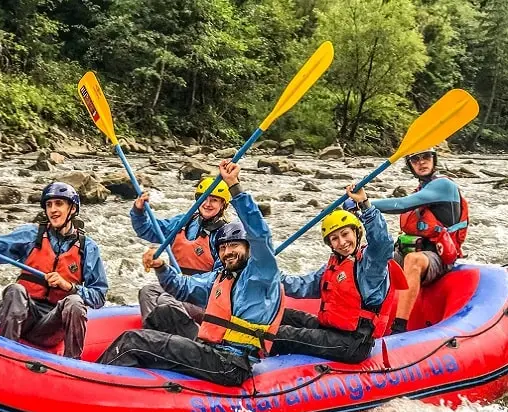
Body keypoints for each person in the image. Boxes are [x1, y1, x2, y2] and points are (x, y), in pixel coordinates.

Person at [97, 160, 284, 387]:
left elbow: (259, 233)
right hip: (212, 351)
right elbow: (182, 287)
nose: (227, 252)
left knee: (133, 340)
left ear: (249, 248)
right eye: (223, 248)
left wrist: (234, 186)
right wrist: (161, 267)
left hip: (232, 363)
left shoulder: (261, 275)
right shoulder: (221, 277)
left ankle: (89, 388)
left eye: (235, 246)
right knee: (160, 313)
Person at [0, 182, 108, 359]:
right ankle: (5, 355)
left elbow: (99, 296)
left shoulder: (88, 248)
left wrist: (70, 287)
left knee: (74, 303)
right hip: (25, 316)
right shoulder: (31, 236)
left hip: (52, 326)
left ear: (72, 209)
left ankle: (73, 365)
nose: (53, 209)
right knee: (15, 290)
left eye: (59, 203)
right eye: (49, 205)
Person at [274, 186, 399, 363]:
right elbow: (301, 286)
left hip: (352, 343)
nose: (342, 242)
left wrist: (365, 204)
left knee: (280, 334)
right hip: (331, 330)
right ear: (330, 244)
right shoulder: (334, 266)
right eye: (335, 238)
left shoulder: (370, 267)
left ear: (356, 232)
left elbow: (382, 243)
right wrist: (269, 275)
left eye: (345, 234)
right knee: (281, 314)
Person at [372, 147, 469, 334]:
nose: (421, 162)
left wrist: (365, 202)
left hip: (439, 258)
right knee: (370, 255)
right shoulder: (421, 190)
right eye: (415, 159)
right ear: (410, 166)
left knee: (413, 260)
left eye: (426, 157)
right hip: (414, 251)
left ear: (434, 160)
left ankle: (399, 327)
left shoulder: (444, 186)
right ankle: (362, 317)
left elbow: (401, 204)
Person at [132, 178, 231, 338]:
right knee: (147, 292)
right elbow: (147, 230)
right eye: (204, 198)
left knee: (166, 299)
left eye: (213, 200)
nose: (207, 204)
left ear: (223, 205)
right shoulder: (183, 222)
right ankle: (151, 337)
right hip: (176, 287)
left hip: (204, 298)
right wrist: (139, 211)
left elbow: (221, 280)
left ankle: (196, 341)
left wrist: (185, 286)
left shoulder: (225, 236)